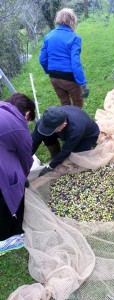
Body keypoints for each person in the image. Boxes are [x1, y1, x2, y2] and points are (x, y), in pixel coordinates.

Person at [0, 93, 35, 255]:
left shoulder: (3, 110)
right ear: (27, 114)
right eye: (29, 120)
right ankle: (9, 238)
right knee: (8, 195)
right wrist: (21, 181)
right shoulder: (19, 126)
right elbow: (25, 160)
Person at [39, 8, 89, 108]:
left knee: (64, 102)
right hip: (69, 77)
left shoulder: (48, 36)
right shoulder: (75, 38)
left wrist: (50, 71)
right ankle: (77, 122)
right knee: (77, 103)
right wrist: (83, 84)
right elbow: (75, 63)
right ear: (72, 20)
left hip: (54, 76)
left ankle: (66, 122)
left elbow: (42, 59)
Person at [32, 105, 100, 176]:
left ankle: (58, 160)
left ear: (64, 124)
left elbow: (66, 150)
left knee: (75, 158)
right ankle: (55, 155)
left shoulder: (76, 129)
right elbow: (34, 141)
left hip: (88, 136)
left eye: (53, 129)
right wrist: (23, 160)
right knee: (46, 134)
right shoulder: (45, 121)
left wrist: (50, 166)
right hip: (67, 130)